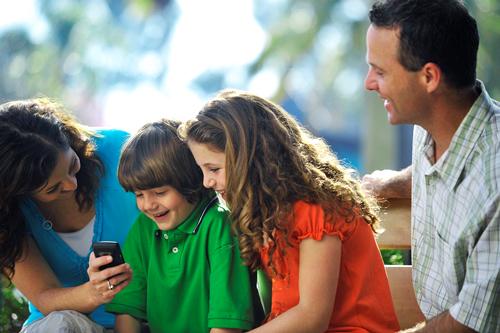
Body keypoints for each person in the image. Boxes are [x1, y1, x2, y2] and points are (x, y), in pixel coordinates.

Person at [180, 89, 400, 333]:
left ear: (251, 159)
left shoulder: (317, 208)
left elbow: (311, 318)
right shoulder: (268, 213)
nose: (206, 182)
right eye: (202, 171)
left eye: (214, 169)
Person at [362, 0, 499, 332]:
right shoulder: (432, 122)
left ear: (429, 77)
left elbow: (466, 327)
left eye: (380, 71)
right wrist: (391, 184)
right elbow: (445, 171)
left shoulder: (495, 183)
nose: (369, 82)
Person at [0, 98, 139, 332]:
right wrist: (93, 293)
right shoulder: (9, 216)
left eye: (73, 165)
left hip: (145, 317)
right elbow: (44, 296)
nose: (71, 185)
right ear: (18, 192)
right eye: (53, 188)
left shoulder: (120, 151)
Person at [106, 119, 255, 333]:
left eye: (160, 193)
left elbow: (226, 324)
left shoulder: (219, 226)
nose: (148, 205)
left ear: (188, 181)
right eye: (139, 195)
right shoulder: (144, 227)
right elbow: (128, 311)